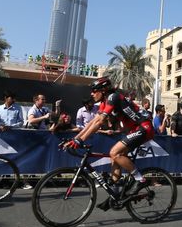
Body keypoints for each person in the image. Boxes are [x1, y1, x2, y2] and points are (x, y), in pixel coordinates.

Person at [62, 77, 154, 206]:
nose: (91, 94)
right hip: (133, 130)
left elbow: (99, 122)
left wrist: (79, 140)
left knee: (114, 153)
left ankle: (141, 179)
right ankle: (115, 195)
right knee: (114, 158)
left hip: (143, 127)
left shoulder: (113, 97)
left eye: (94, 91)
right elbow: (93, 122)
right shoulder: (104, 102)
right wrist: (76, 139)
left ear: (103, 90)